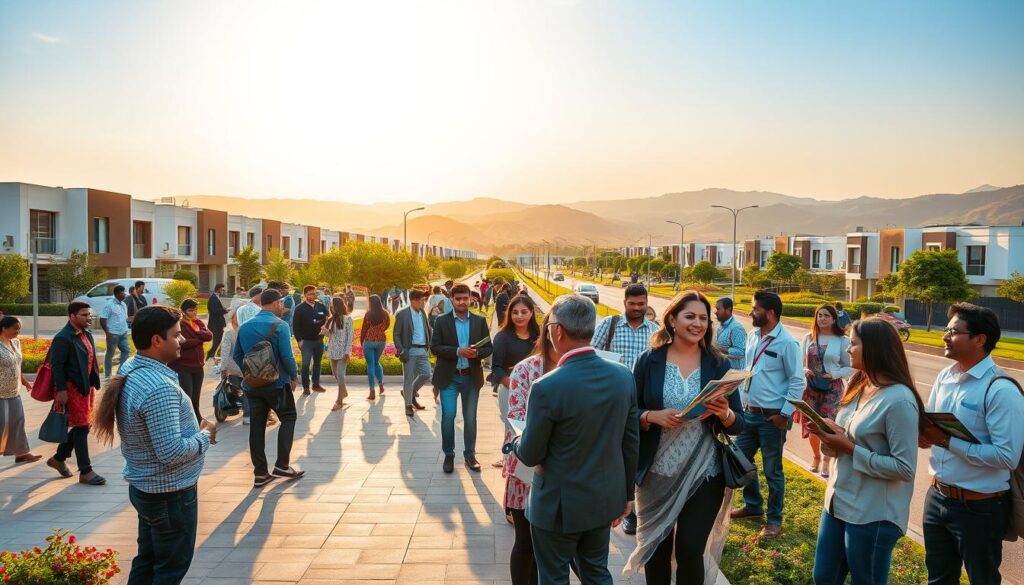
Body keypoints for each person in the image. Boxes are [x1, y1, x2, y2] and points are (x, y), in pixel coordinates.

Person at [509, 294, 639, 584]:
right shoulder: (623, 377)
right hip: (603, 499)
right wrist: (627, 495)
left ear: (557, 331)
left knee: (554, 577)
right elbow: (630, 443)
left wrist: (516, 441)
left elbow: (530, 454)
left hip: (557, 507)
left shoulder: (546, 386)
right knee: (596, 571)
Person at [625, 290, 746, 585]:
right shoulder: (648, 361)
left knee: (691, 550)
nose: (698, 323)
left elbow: (738, 422)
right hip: (655, 471)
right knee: (656, 549)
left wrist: (724, 414)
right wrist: (651, 416)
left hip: (704, 472)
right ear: (672, 320)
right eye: (690, 316)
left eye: (704, 318)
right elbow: (628, 412)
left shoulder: (719, 364)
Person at [92, 305, 214, 585]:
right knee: (170, 569)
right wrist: (205, 435)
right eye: (176, 335)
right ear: (157, 340)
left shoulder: (132, 366)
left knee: (147, 561)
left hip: (149, 489)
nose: (182, 340)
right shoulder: (158, 387)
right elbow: (171, 453)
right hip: (169, 494)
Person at [807, 317, 922, 585]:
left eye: (854, 344)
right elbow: (847, 437)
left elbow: (904, 468)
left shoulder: (899, 400)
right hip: (838, 501)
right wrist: (830, 434)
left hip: (872, 513)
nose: (848, 349)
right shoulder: (859, 384)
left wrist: (849, 448)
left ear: (874, 348)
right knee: (823, 577)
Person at [919, 303, 1024, 584]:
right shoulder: (945, 376)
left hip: (980, 508)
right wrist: (926, 436)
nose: (945, 335)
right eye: (946, 329)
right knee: (939, 578)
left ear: (980, 339)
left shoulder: (1000, 389)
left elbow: (1006, 457)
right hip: (937, 497)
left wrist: (946, 441)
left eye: (954, 332)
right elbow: (935, 426)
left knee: (983, 579)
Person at [730, 290, 804, 538]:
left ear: (770, 313)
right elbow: (748, 372)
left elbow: (797, 382)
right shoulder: (752, 336)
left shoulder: (787, 343)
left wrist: (784, 414)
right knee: (741, 463)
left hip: (772, 418)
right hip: (748, 414)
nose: (751, 312)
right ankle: (753, 506)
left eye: (755, 308)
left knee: (773, 471)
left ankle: (774, 519)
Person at [590, 283, 658, 535]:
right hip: (610, 401)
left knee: (635, 456)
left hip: (640, 404)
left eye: (642, 304)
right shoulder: (609, 325)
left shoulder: (654, 331)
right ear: (625, 302)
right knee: (607, 453)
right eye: (633, 304)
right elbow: (593, 356)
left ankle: (632, 512)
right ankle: (603, 503)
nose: (638, 308)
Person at [504, 312, 559, 585]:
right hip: (526, 470)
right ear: (550, 330)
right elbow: (516, 417)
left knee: (550, 549)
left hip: (565, 474)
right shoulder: (526, 369)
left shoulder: (584, 371)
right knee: (525, 544)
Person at [233, 289, 304, 488]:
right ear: (273, 303)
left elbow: (237, 355)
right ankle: (282, 464)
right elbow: (287, 356)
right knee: (288, 417)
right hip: (277, 383)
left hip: (252, 386)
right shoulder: (279, 325)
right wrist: (293, 376)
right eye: (281, 303)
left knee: (257, 426)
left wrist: (251, 373)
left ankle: (260, 473)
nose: (283, 306)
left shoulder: (245, 326)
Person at [431, 283, 493, 473]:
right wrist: (458, 351)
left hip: (470, 378)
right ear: (451, 300)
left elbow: (488, 348)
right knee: (448, 416)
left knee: (470, 418)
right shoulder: (441, 321)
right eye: (457, 299)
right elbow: (435, 348)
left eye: (465, 298)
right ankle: (449, 455)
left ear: (471, 298)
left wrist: (476, 354)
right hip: (449, 378)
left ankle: (470, 455)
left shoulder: (479, 321)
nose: (462, 302)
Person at [47, 301, 104, 485]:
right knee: (81, 427)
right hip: (71, 389)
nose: (89, 318)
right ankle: (85, 471)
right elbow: (57, 365)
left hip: (86, 387)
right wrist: (61, 390)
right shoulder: (63, 337)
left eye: (89, 314)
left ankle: (59, 458)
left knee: (85, 425)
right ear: (72, 316)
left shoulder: (85, 333)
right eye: (84, 315)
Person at [794, 304, 854, 478]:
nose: (822, 318)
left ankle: (827, 461)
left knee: (827, 425)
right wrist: (805, 370)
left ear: (834, 319)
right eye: (819, 315)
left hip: (832, 389)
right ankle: (815, 456)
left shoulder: (843, 341)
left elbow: (851, 367)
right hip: (811, 387)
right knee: (812, 424)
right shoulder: (809, 337)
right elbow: (801, 363)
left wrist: (834, 374)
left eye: (826, 315)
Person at [490, 296, 540, 467]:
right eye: (515, 312)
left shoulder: (538, 337)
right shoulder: (503, 337)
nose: (519, 316)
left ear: (531, 313)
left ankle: (526, 460)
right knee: (511, 426)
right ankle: (508, 461)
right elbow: (496, 368)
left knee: (532, 426)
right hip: (509, 389)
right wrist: (513, 383)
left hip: (535, 390)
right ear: (509, 314)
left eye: (524, 312)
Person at [0, 316, 42, 464]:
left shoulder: (16, 343)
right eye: (15, 329)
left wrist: (24, 381)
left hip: (14, 391)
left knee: (18, 422)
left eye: (19, 329)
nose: (18, 332)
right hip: (0, 393)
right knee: (2, 423)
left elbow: (17, 365)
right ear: (4, 328)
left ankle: (21, 453)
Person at [170, 299, 212, 423]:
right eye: (190, 310)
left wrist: (198, 334)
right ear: (184, 311)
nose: (194, 312)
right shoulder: (180, 324)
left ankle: (196, 417)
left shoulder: (198, 322)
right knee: (187, 394)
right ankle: (187, 420)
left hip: (198, 365)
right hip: (183, 365)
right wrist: (200, 339)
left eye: (195, 310)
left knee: (196, 395)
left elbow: (209, 336)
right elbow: (185, 343)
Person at [394, 289, 433, 418]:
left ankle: (408, 393)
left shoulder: (422, 313)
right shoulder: (402, 314)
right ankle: (408, 405)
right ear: (413, 301)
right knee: (408, 379)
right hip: (409, 351)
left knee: (426, 374)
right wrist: (401, 350)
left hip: (422, 350)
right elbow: (396, 334)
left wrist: (429, 343)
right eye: (422, 300)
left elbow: (426, 329)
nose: (423, 302)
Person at [293, 284, 329, 395]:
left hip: (319, 340)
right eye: (310, 294)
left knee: (317, 363)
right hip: (306, 341)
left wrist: (325, 326)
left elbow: (327, 318)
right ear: (305, 295)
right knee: (306, 364)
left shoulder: (321, 306)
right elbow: (295, 326)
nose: (313, 296)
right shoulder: (299, 308)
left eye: (314, 293)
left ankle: (316, 384)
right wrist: (299, 340)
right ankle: (305, 387)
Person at [325, 296, 354, 412]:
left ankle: (339, 400)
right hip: (332, 350)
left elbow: (350, 337)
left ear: (336, 306)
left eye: (331, 304)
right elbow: (330, 335)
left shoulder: (347, 319)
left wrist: (347, 352)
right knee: (335, 374)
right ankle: (344, 391)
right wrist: (325, 327)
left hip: (343, 352)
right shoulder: (332, 319)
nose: (330, 306)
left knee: (340, 374)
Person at [360, 294, 390, 400]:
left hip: (369, 340)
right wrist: (379, 331)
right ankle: (381, 385)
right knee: (376, 362)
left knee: (370, 365)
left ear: (371, 302)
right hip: (381, 341)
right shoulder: (385, 313)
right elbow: (387, 325)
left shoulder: (368, 314)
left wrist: (361, 340)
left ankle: (372, 390)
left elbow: (364, 328)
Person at [100, 284, 131, 378]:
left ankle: (120, 373)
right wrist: (107, 332)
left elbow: (124, 318)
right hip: (113, 334)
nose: (125, 294)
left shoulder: (124, 305)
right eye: (122, 292)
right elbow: (102, 318)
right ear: (117, 294)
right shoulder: (109, 305)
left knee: (126, 351)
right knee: (110, 354)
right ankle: (107, 376)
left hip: (123, 333)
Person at [713, 297, 746, 370]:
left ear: (728, 310)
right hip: (721, 371)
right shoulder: (719, 326)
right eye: (716, 309)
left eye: (718, 309)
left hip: (733, 374)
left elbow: (742, 352)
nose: (715, 312)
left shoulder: (736, 328)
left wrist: (720, 349)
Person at [205, 284, 230, 361]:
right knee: (216, 342)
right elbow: (215, 311)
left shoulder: (216, 297)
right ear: (218, 289)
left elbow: (217, 309)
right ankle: (209, 357)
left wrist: (224, 309)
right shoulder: (213, 298)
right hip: (215, 324)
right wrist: (225, 310)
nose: (223, 291)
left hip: (218, 324)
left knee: (218, 342)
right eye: (222, 290)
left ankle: (211, 357)